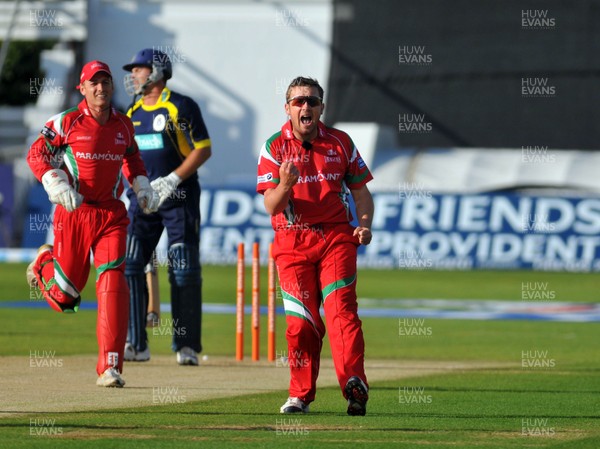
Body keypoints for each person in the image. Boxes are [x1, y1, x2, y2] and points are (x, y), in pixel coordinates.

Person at [26, 60, 159, 387]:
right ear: (82, 88)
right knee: (64, 297)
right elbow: (36, 153)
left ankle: (110, 367)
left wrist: (141, 185)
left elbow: (132, 159)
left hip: (112, 214)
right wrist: (55, 183)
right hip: (75, 212)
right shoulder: (66, 121)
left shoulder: (123, 125)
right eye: (94, 83)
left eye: (106, 82)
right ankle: (45, 261)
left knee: (114, 281)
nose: (101, 88)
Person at [257, 76, 374, 415]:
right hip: (292, 240)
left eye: (312, 101)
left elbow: (361, 192)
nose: (305, 107)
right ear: (288, 108)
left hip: (337, 237)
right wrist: (286, 185)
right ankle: (300, 394)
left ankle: (355, 384)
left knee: (341, 311)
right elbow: (271, 206)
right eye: (298, 101)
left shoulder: (340, 142)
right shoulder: (274, 146)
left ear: (322, 107)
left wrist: (364, 225)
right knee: (300, 324)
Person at [121, 48, 212, 365]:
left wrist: (172, 180)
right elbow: (125, 154)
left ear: (157, 72)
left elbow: (203, 149)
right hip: (143, 198)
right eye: (132, 71)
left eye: (139, 69)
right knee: (131, 264)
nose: (133, 75)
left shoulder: (181, 105)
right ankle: (137, 343)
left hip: (179, 196)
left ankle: (186, 347)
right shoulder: (132, 110)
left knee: (183, 269)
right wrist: (136, 186)